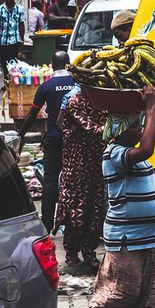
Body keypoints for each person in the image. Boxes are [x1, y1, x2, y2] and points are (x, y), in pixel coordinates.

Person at [71, 86, 155, 308]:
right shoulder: (113, 154)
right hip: (126, 239)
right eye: (134, 126)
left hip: (147, 238)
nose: (139, 130)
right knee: (121, 294)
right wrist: (150, 107)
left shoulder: (129, 152)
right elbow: (148, 148)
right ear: (119, 131)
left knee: (147, 296)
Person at [19, 51, 79, 233]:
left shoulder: (46, 86)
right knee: (73, 182)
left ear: (52, 65)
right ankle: (72, 224)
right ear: (68, 65)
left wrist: (20, 135)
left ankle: (46, 224)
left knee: (50, 182)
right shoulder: (77, 84)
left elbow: (32, 115)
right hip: (73, 140)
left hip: (53, 138)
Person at [56, 89, 109, 270]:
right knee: (75, 209)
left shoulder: (104, 101)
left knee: (95, 209)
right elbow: (90, 127)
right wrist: (118, 129)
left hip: (97, 164)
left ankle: (89, 252)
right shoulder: (75, 100)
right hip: (77, 166)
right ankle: (71, 253)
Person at [0, 0, 28, 65]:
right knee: (4, 62)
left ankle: (12, 77)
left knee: (13, 62)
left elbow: (21, 25)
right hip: (3, 40)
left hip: (14, 40)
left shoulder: (20, 9)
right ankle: (6, 76)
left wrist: (22, 40)